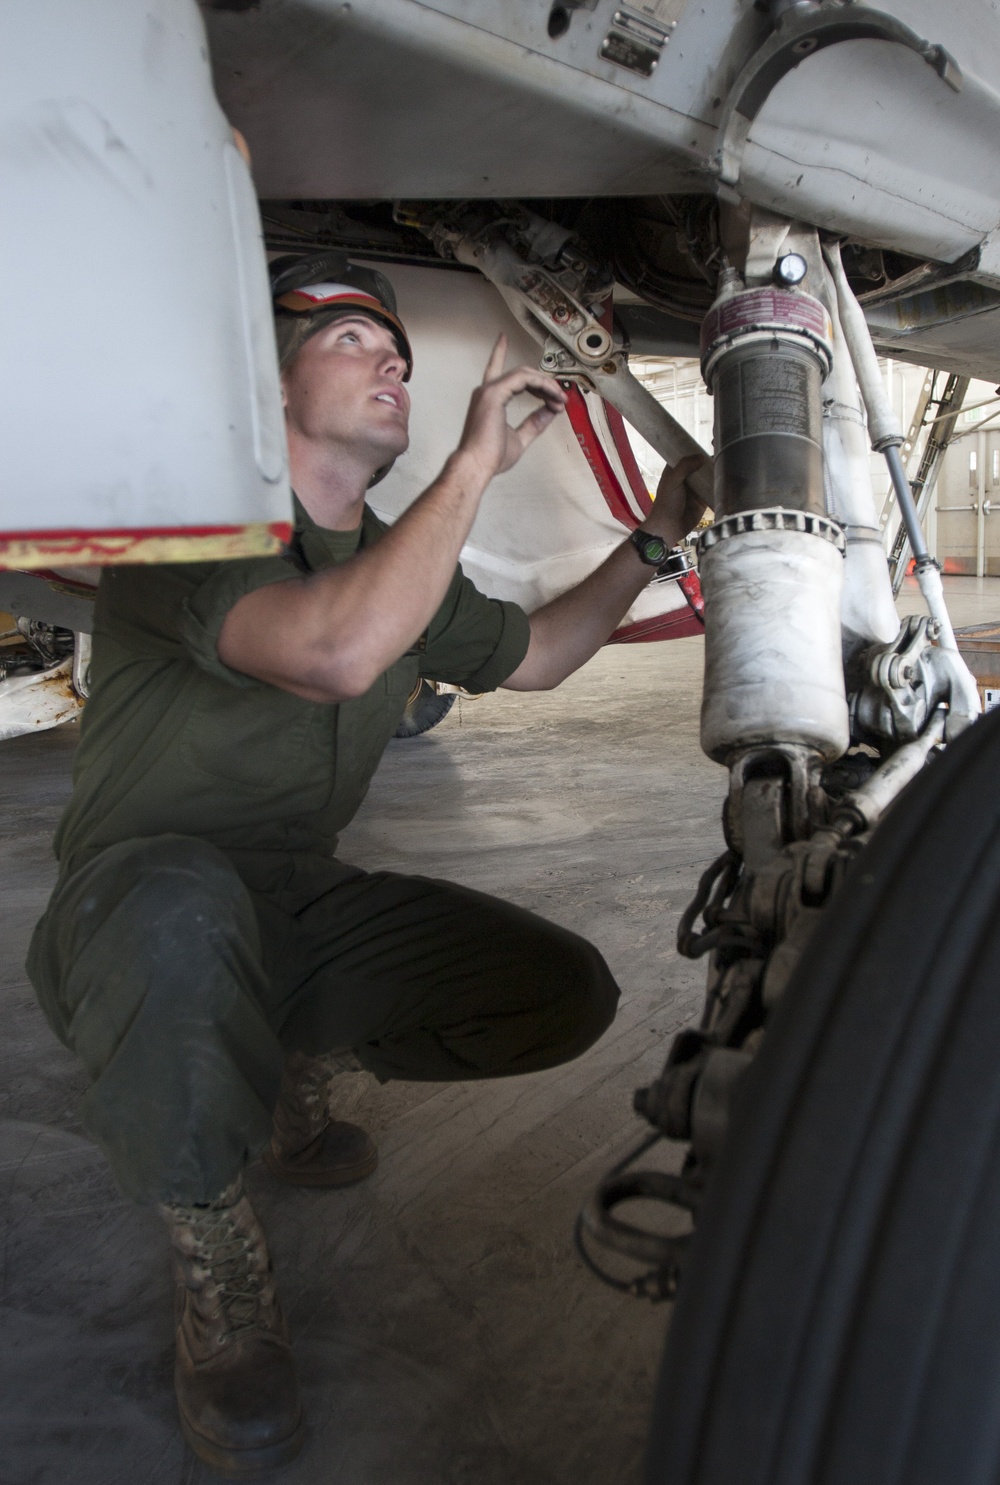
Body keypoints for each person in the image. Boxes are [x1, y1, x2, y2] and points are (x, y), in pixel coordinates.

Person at [26, 252, 705, 1474]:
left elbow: (542, 653)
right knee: (183, 908)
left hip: (291, 905)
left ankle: (289, 1049)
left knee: (560, 989)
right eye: (349, 337)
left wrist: (657, 536)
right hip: (130, 906)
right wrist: (472, 467)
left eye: (395, 344)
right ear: (265, 381)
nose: (392, 355)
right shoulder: (192, 533)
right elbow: (334, 653)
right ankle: (218, 1265)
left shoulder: (392, 558)